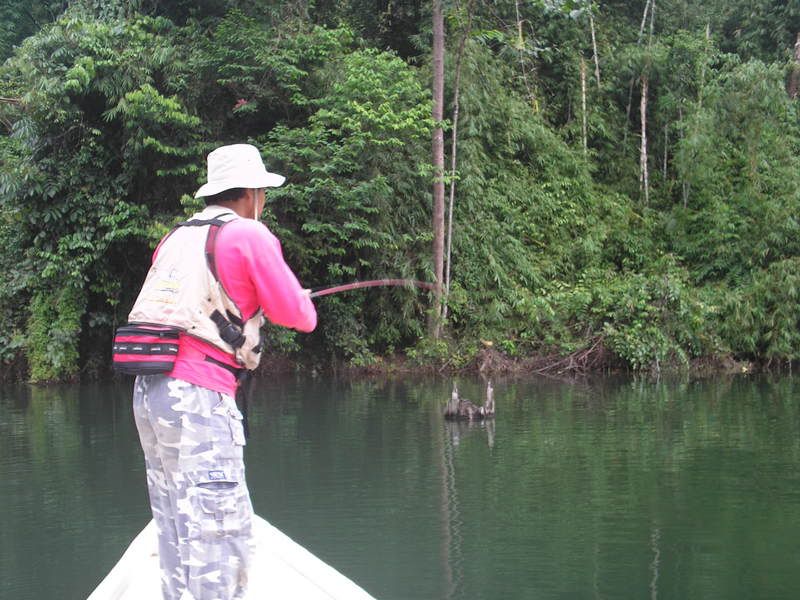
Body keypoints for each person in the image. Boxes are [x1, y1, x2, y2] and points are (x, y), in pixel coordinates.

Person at [128, 143, 317, 600]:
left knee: (175, 522)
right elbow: (298, 316)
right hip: (198, 396)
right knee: (218, 531)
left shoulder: (176, 238)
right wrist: (300, 298)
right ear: (251, 194)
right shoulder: (249, 234)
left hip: (149, 391)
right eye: (262, 193)